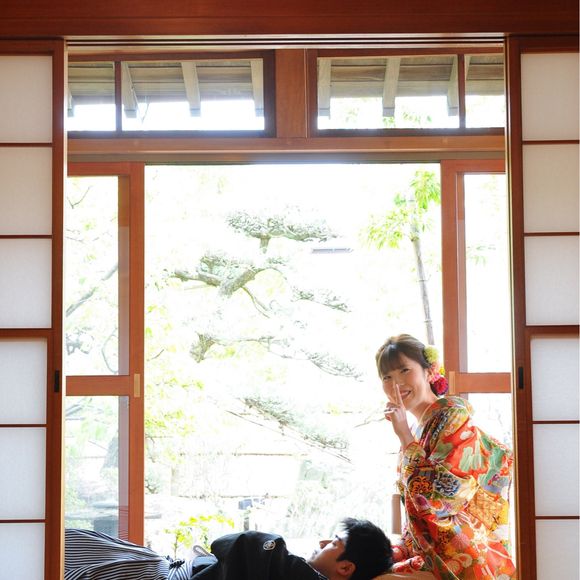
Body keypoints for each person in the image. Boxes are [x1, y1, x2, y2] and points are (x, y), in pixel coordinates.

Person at [376, 334, 517, 580]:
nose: (396, 383)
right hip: (430, 553)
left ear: (429, 371)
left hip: (461, 556)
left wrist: (404, 436)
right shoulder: (417, 429)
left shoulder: (453, 416)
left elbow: (442, 499)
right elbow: (414, 512)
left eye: (404, 370)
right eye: (387, 377)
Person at [65, 517, 393, 580]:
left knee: (71, 552)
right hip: (165, 567)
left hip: (164, 576)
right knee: (74, 543)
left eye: (334, 543)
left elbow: (251, 543)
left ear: (346, 567)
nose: (322, 543)